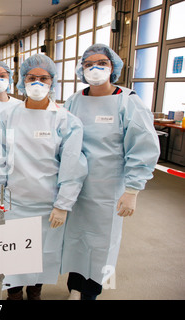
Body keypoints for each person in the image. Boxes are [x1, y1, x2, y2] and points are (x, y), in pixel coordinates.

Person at [61, 43, 160, 300]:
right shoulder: (74, 100)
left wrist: (133, 189)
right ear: (81, 69)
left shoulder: (127, 101)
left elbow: (144, 146)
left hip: (108, 188)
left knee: (102, 243)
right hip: (75, 187)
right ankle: (74, 287)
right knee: (74, 239)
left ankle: (91, 292)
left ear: (113, 67)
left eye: (101, 63)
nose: (95, 68)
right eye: (88, 64)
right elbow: (61, 140)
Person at [0, 54, 88, 300]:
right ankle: (13, 293)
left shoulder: (66, 120)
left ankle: (35, 292)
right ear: (22, 81)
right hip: (15, 201)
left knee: (43, 253)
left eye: (43, 78)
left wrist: (63, 205)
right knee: (12, 251)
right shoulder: (8, 116)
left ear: (53, 82)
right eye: (31, 78)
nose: (37, 83)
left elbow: (72, 165)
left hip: (47, 204)